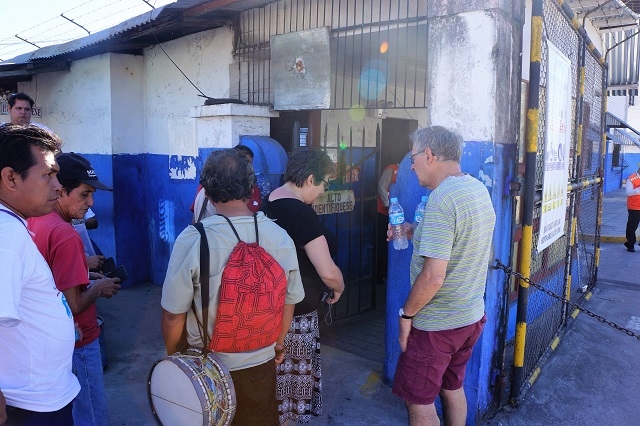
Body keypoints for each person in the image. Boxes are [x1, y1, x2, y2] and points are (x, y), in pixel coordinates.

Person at [162, 149, 304, 425]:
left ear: (206, 191)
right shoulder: (280, 237)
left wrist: (176, 360)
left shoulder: (194, 239)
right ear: (251, 189)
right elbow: (289, 301)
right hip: (262, 366)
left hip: (208, 370)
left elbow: (172, 315)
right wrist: (277, 344)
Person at [391, 126, 495, 426]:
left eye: (413, 158)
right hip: (469, 317)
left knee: (418, 399)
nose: (412, 166)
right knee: (452, 387)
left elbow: (433, 278)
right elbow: (463, 243)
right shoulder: (476, 189)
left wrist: (407, 315)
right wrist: (413, 231)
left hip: (437, 326)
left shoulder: (442, 199)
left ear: (429, 155)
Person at [28, 152, 121, 426]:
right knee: (91, 414)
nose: (91, 203)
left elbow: (51, 276)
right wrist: (99, 287)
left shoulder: (37, 220)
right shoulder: (66, 235)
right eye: (84, 194)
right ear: (61, 190)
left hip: (51, 339)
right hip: (79, 340)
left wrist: (84, 274)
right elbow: (74, 304)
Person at [0, 124, 80, 425]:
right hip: (29, 405)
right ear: (11, 178)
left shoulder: (11, 226)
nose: (58, 186)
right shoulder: (7, 237)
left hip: (36, 395)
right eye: (48, 174)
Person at [262, 149, 346, 425]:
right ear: (311, 179)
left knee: (275, 381)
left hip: (270, 308)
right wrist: (339, 287)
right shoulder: (300, 213)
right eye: (324, 184)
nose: (322, 192)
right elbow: (328, 272)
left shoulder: (269, 202)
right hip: (297, 313)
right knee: (291, 390)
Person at [190, 144, 262, 222]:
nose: (247, 167)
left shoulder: (252, 188)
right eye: (244, 163)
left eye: (249, 164)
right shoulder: (208, 186)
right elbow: (196, 215)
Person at [376, 162, 399, 284]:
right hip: (383, 213)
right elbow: (382, 186)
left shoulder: (409, 172)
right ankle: (379, 276)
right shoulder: (391, 169)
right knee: (382, 244)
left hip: (395, 215)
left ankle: (387, 274)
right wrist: (387, 206)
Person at [624, 166, 640, 252]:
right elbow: (629, 192)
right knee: (632, 226)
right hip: (634, 207)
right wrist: (638, 190)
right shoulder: (631, 179)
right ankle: (630, 244)